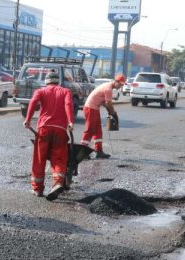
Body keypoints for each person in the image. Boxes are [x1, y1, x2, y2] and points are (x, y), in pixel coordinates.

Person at [24, 70, 75, 201]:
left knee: (39, 159)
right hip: (60, 130)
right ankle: (57, 183)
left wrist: (28, 120)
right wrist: (70, 121)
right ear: (58, 81)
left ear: (46, 81)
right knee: (59, 158)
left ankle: (37, 189)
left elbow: (33, 102)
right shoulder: (66, 91)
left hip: (44, 129)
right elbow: (68, 104)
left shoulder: (40, 91)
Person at [81, 73, 125, 159]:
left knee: (98, 130)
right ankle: (82, 152)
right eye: (120, 84)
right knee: (89, 129)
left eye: (122, 85)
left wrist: (110, 111)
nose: (120, 86)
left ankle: (99, 151)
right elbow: (108, 103)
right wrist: (113, 113)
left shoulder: (107, 86)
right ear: (116, 81)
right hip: (90, 108)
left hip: (94, 108)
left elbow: (104, 103)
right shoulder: (108, 89)